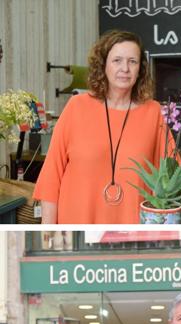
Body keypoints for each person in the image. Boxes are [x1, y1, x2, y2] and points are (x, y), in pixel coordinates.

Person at [34, 30, 173, 223]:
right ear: (103, 65)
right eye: (117, 60)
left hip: (133, 232)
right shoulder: (77, 107)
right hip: (77, 230)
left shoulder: (154, 112)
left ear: (140, 69)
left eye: (132, 61)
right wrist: (47, 234)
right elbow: (51, 177)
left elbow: (170, 179)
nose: (125, 68)